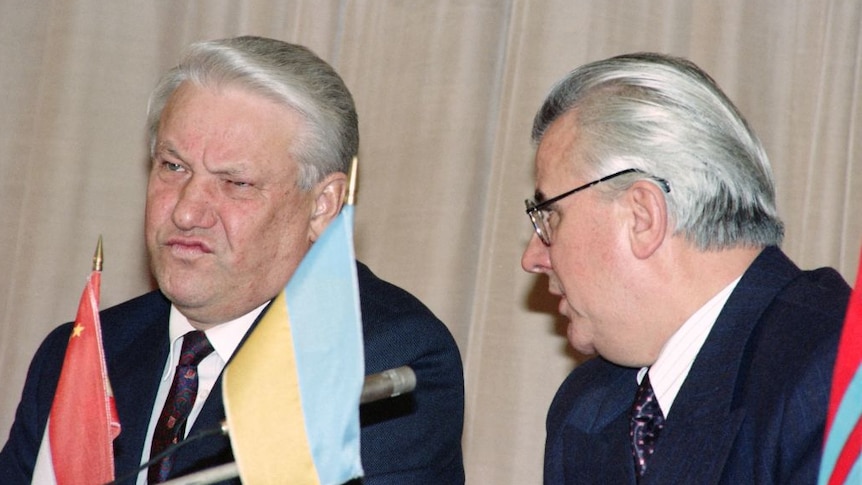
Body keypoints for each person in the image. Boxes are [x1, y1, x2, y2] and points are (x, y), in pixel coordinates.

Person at [0, 36, 464, 484]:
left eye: (235, 183)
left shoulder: (380, 360)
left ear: (322, 205)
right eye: (173, 167)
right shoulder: (82, 354)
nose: (185, 211)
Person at [520, 52, 851, 484]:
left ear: (642, 216)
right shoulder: (588, 406)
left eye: (549, 217)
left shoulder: (838, 373)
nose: (533, 258)